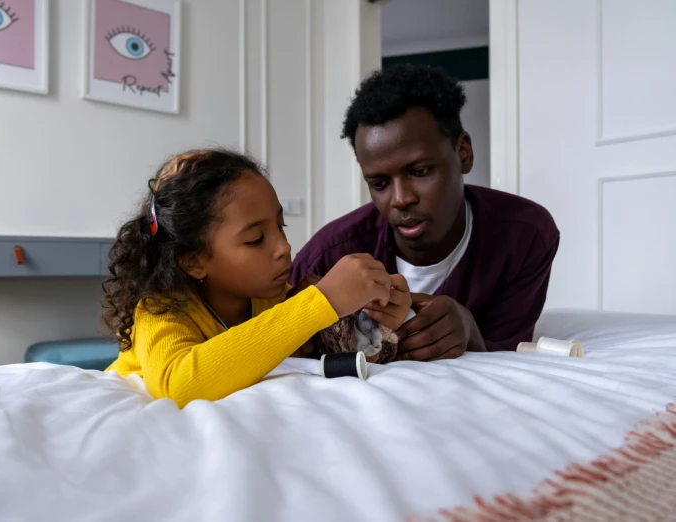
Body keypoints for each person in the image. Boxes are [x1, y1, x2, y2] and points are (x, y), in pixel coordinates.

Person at [103, 149, 411, 408]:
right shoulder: (159, 309)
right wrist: (321, 303)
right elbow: (181, 386)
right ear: (193, 260)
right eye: (255, 239)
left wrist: (375, 322)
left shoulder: (271, 297)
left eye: (281, 226)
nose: (284, 248)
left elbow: (331, 348)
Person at [290, 65, 559, 360]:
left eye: (420, 171)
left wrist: (470, 332)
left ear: (463, 154)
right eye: (379, 183)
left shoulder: (524, 235)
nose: (401, 199)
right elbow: (287, 352)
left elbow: (512, 355)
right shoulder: (327, 257)